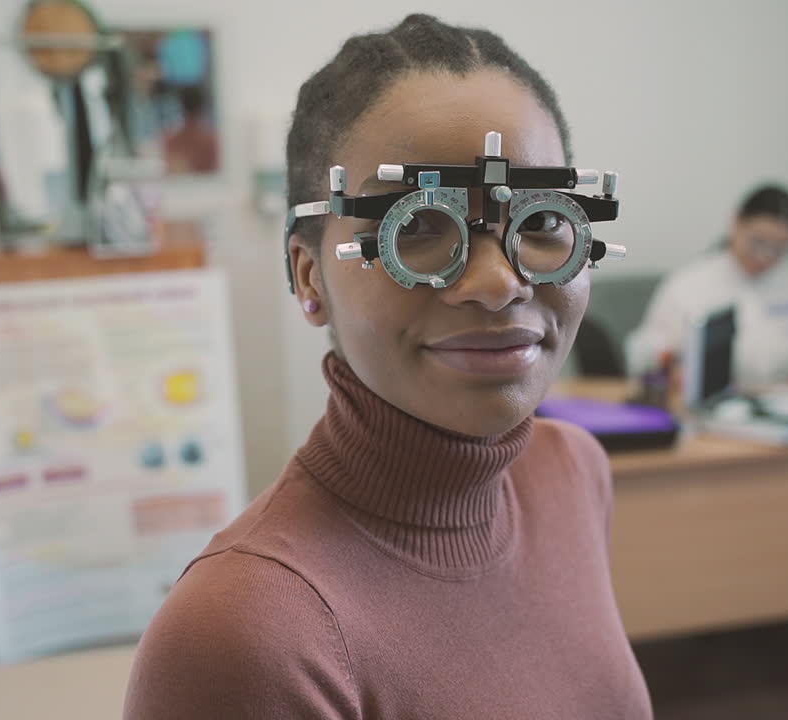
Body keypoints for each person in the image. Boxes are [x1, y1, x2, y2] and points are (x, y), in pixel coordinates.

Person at [124, 14, 652, 720]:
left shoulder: (573, 473)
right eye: (421, 226)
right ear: (309, 276)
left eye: (543, 221)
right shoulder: (244, 633)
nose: (498, 282)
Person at [624, 184, 788, 391]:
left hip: (781, 410)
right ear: (736, 223)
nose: (765, 257)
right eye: (758, 242)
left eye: (779, 249)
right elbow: (644, 354)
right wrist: (668, 370)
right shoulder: (690, 285)